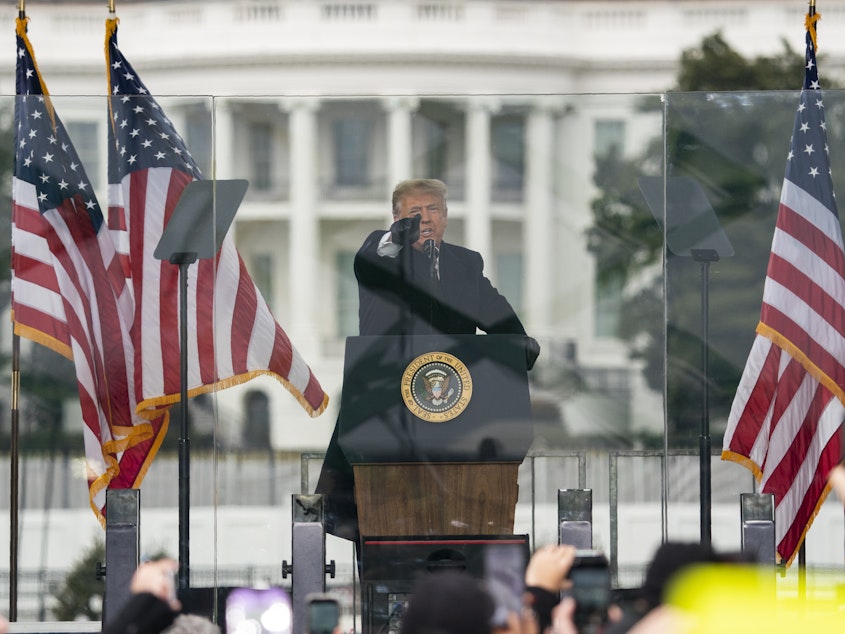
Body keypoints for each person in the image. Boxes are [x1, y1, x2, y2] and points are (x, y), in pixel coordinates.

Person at [316, 178, 540, 542]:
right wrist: (396, 236)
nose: (425, 218)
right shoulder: (379, 252)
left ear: (447, 216)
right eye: (414, 212)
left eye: (433, 209)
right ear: (396, 217)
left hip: (457, 411)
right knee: (383, 522)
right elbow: (374, 256)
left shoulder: (465, 264)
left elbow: (498, 317)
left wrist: (519, 344)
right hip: (386, 410)